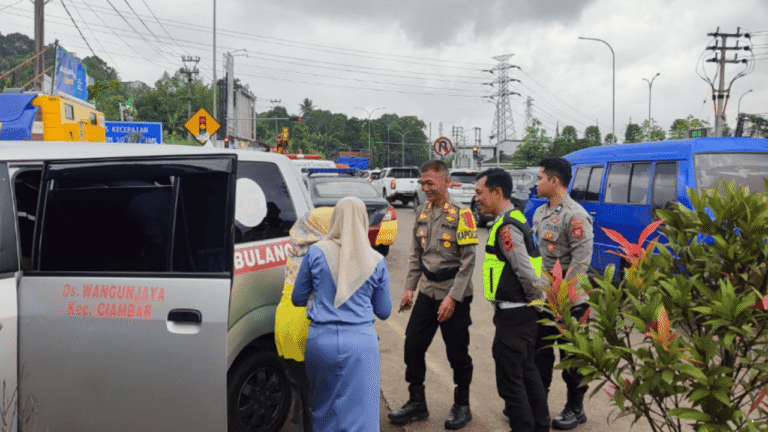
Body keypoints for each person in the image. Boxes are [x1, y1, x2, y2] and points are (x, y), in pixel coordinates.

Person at [388, 160, 478, 430]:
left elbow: (468, 262)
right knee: (413, 346)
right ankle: (417, 402)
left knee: (457, 353)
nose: (425, 188)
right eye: (422, 183)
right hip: (428, 291)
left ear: (446, 182)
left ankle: (462, 404)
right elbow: (416, 254)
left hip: (454, 294)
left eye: (430, 183)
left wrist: (452, 297)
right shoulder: (421, 212)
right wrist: (409, 288)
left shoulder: (463, 214)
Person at [292, 197, 392, 432]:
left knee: (324, 410)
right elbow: (384, 311)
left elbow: (298, 298)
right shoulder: (376, 260)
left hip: (321, 341)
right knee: (362, 415)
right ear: (364, 220)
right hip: (360, 345)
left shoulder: (316, 252)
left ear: (335, 219)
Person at [474, 168, 550, 432]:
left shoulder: (507, 227)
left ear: (497, 192)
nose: (477, 198)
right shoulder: (514, 218)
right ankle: (540, 425)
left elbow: (526, 272)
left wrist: (537, 304)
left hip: (516, 315)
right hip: (520, 313)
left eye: (480, 192)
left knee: (510, 381)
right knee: (527, 373)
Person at [531, 157, 594, 430]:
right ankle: (538, 405)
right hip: (545, 299)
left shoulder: (575, 215)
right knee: (540, 355)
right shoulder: (540, 212)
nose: (536, 183)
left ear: (554, 180)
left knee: (571, 359)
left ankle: (575, 408)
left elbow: (580, 263)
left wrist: (561, 299)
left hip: (570, 302)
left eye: (540, 178)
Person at [275, 207, 333, 431]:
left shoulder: (296, 250)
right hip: (305, 329)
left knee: (301, 386)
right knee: (315, 399)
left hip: (284, 326)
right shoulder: (321, 256)